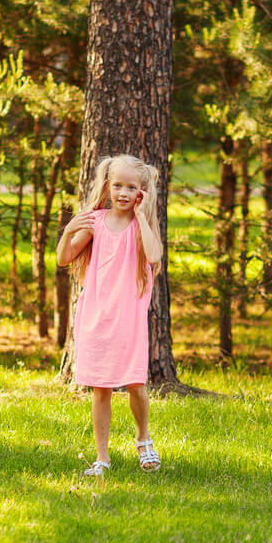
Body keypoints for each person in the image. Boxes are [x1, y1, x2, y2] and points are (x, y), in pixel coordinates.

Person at [55, 155, 164, 476]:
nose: (123, 192)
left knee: (135, 384)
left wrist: (143, 216)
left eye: (131, 187)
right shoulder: (96, 222)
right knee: (100, 388)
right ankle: (102, 457)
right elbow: (64, 258)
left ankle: (143, 438)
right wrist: (69, 230)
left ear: (142, 192)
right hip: (97, 316)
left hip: (128, 318)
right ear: (108, 186)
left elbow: (155, 255)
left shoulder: (141, 227)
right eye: (118, 185)